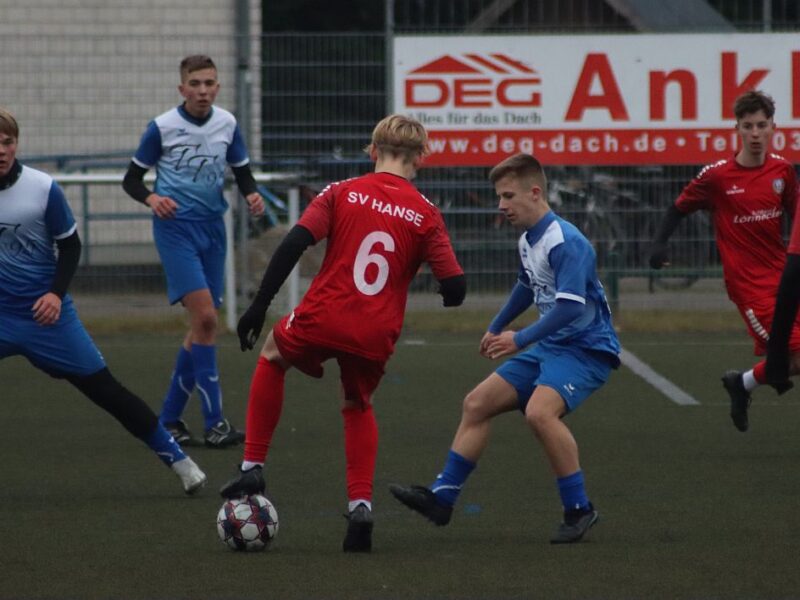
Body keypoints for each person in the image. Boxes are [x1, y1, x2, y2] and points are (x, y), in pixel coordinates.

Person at [218, 114, 466, 553]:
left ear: (373, 151)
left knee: (274, 354)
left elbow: (294, 243)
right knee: (357, 404)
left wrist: (257, 307)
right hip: (376, 331)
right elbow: (456, 288)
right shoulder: (426, 213)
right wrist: (438, 286)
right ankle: (360, 506)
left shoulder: (342, 192)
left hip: (326, 314)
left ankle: (253, 464)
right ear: (421, 158)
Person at [390, 153, 620, 545]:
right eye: (499, 196)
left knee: (539, 414)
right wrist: (496, 326)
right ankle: (442, 499)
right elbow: (527, 285)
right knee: (477, 403)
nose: (501, 205)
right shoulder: (528, 239)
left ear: (535, 193)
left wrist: (518, 338)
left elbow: (570, 306)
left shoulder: (567, 241)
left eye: (508, 196)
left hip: (586, 350)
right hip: (551, 346)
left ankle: (579, 509)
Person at [0, 106, 206, 495]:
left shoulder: (42, 189)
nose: (1, 150)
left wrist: (54, 295)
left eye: (7, 142)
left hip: (47, 318)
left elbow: (71, 246)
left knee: (106, 390)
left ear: (17, 145)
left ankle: (180, 462)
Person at [122, 54, 265, 448]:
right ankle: (215, 422)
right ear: (182, 88)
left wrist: (252, 194)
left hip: (212, 230)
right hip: (175, 231)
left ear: (217, 88)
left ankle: (168, 420)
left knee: (202, 326)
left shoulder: (227, 123)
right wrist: (152, 200)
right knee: (206, 318)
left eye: (209, 84)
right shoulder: (162, 128)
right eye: (195, 84)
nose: (203, 91)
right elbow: (131, 180)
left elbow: (242, 171)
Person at [648, 89, 799, 432]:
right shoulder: (717, 176)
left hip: (784, 278)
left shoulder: (783, 172)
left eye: (762, 125)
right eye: (749, 126)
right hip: (749, 289)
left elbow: (796, 214)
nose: (756, 133)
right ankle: (750, 380)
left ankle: (742, 383)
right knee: (793, 358)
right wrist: (658, 245)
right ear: (738, 130)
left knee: (788, 362)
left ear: (774, 127)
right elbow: (677, 208)